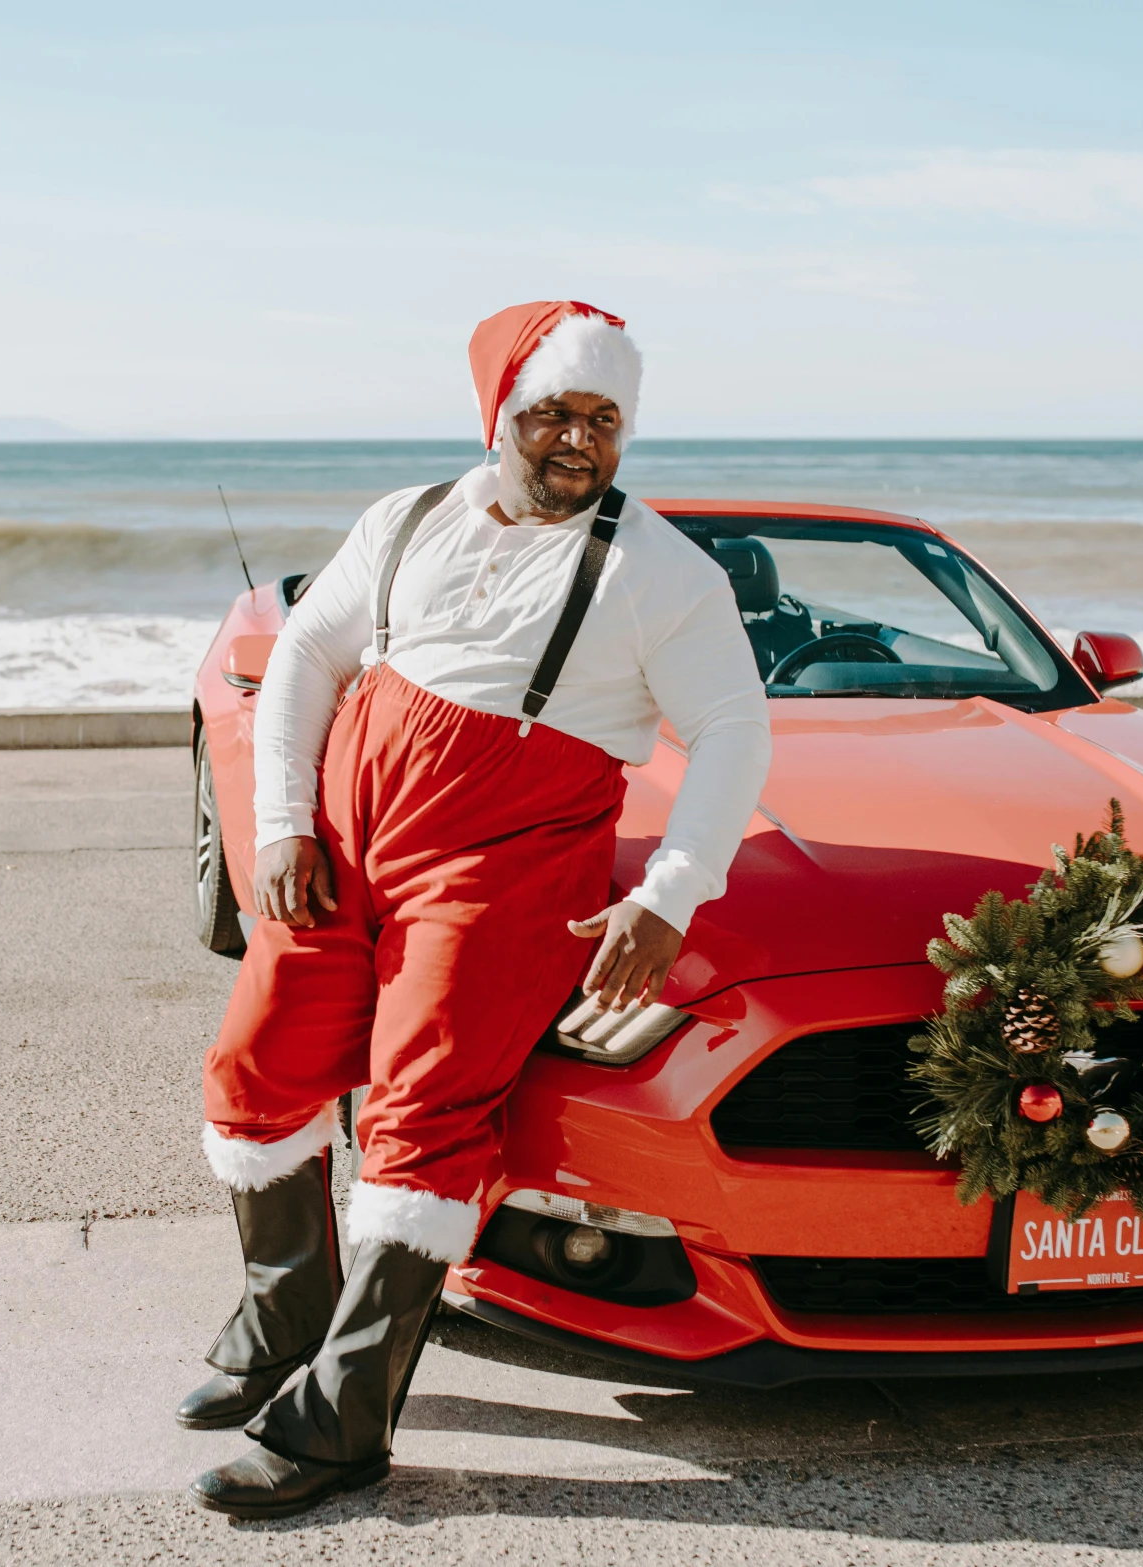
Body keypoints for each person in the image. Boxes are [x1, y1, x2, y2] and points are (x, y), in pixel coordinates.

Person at [183, 300, 772, 1518]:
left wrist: (667, 896)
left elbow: (729, 731)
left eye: (602, 420)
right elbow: (304, 658)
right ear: (498, 415)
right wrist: (286, 820)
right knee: (255, 1067)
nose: (576, 442)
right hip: (343, 841)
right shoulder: (402, 518)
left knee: (423, 1112)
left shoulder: (661, 570)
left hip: (498, 871)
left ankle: (339, 1424)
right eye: (551, 413)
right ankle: (283, 1319)